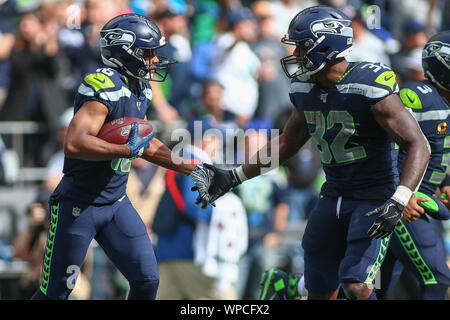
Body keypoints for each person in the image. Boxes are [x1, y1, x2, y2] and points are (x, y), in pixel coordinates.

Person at [193, 5, 431, 300]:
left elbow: (418, 143)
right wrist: (234, 176)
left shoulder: (369, 84)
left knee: (357, 286)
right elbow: (287, 143)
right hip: (332, 194)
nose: (295, 56)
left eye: (302, 47)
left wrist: (400, 198)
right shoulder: (305, 87)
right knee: (319, 289)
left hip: (373, 196)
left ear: (325, 46)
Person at [30, 13, 219, 300]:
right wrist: (124, 150)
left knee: (146, 281)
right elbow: (75, 142)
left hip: (116, 203)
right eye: (148, 53)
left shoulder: (140, 87)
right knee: (55, 293)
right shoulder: (102, 87)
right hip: (78, 204)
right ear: (125, 53)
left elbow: (144, 141)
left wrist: (192, 167)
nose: (155, 60)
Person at [377, 31, 450, 300]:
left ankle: (288, 288)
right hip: (401, 203)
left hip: (421, 203)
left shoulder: (443, 102)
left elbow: (436, 150)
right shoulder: (416, 97)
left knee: (373, 289)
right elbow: (389, 150)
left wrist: (445, 182)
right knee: (437, 279)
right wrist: (401, 195)